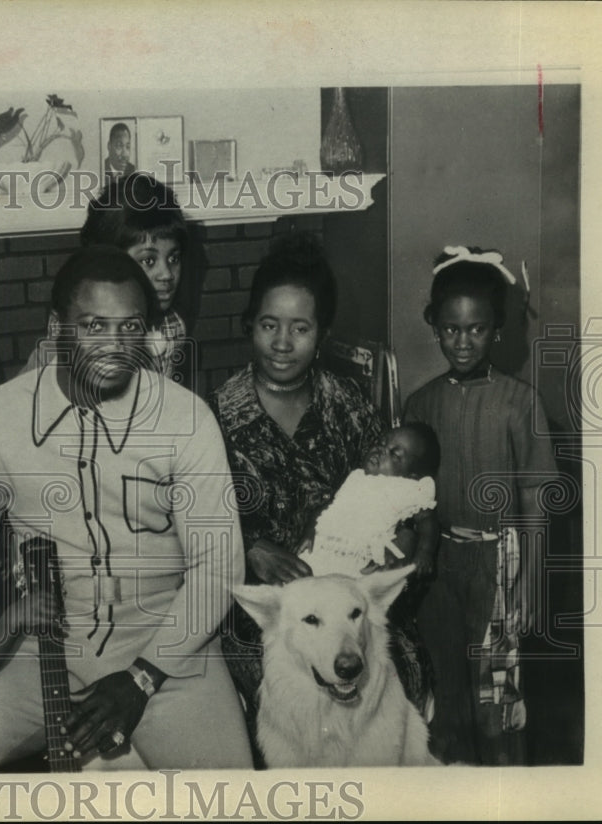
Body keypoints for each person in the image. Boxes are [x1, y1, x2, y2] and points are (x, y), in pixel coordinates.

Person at [0, 245, 253, 770]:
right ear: (56, 329)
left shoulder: (187, 418)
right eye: (93, 326)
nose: (114, 347)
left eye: (130, 328)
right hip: (40, 646)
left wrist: (142, 678)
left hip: (166, 645)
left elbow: (218, 567)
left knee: (233, 796)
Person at [207, 232, 384, 762]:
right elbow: (183, 523)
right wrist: (250, 545)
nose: (282, 343)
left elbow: (386, 496)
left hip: (344, 610)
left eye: (300, 328)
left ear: (322, 334)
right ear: (249, 327)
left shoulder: (347, 404)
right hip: (257, 622)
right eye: (269, 325)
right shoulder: (212, 417)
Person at [403, 245, 558, 766]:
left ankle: (504, 792)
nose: (462, 342)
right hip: (439, 568)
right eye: (451, 329)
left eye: (475, 329)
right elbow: (409, 498)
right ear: (435, 327)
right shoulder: (420, 404)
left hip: (500, 567)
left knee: (497, 697)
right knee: (444, 693)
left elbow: (537, 497)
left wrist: (532, 580)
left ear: (496, 330)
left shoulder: (520, 402)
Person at [26, 172, 199, 386]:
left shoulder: (172, 327)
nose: (167, 275)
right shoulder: (69, 335)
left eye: (173, 258)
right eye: (148, 261)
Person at [301, 422, 441, 578]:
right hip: (321, 548)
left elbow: (428, 521)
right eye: (380, 443)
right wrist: (309, 530)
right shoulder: (357, 477)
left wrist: (424, 552)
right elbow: (327, 508)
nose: (381, 450)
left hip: (361, 558)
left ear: (412, 476)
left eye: (394, 454)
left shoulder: (407, 488)